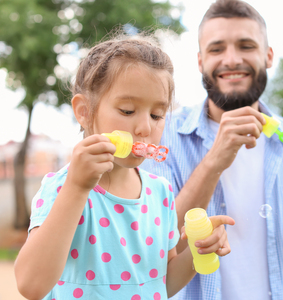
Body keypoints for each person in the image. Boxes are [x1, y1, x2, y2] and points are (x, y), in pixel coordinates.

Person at [141, 0, 283, 299]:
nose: (231, 59)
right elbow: (154, 248)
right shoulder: (162, 136)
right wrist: (215, 159)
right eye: (216, 49)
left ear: (268, 55)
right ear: (200, 61)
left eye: (246, 45)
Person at [14, 32, 234, 300]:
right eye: (128, 111)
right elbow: (30, 285)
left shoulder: (160, 194)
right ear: (84, 112)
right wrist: (77, 187)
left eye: (157, 115)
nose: (144, 128)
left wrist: (198, 252)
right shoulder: (62, 187)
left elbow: (161, 284)